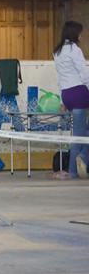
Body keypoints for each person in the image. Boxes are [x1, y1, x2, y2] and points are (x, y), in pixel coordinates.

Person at [53, 21, 89, 179]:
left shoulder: (58, 51)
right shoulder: (75, 50)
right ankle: (78, 163)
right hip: (80, 93)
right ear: (75, 33)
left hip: (67, 95)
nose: (81, 35)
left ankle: (79, 162)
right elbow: (84, 73)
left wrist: (63, 100)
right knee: (80, 133)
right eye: (80, 33)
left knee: (81, 132)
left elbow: (60, 79)